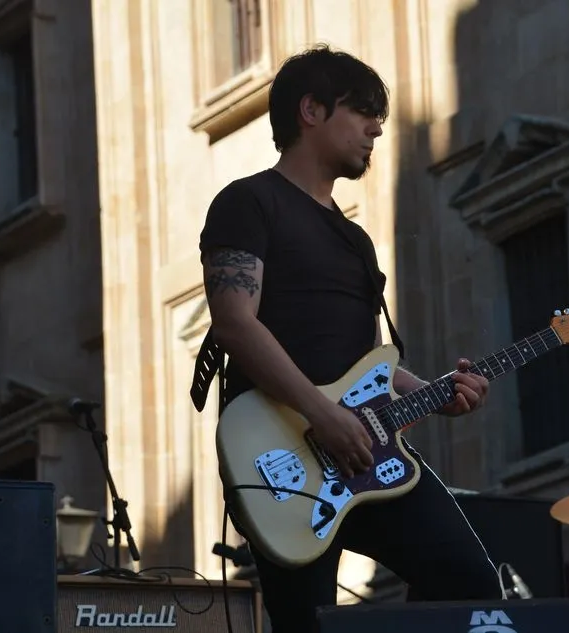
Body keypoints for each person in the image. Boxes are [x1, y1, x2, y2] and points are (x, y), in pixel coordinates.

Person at [195, 45, 504, 633]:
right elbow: (234, 322)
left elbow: (365, 364)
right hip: (283, 453)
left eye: (378, 117)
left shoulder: (354, 239)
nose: (376, 128)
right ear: (311, 110)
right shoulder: (248, 202)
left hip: (367, 451)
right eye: (362, 111)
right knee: (308, 623)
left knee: (471, 586)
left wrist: (437, 391)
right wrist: (324, 415)